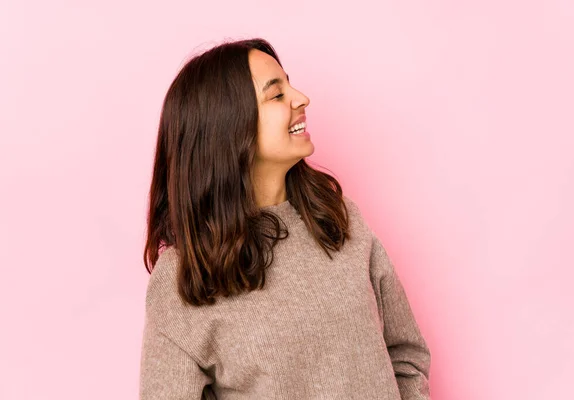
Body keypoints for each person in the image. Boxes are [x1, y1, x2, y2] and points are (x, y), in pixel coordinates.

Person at [139, 38, 431, 400]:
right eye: (276, 95)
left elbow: (407, 355)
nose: (301, 98)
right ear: (227, 127)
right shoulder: (184, 275)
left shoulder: (338, 219)